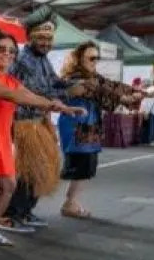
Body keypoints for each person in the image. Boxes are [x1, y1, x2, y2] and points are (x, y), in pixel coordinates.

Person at [0, 32, 82, 252]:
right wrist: (51, 105)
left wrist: (62, 106)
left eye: (12, 51)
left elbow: (28, 93)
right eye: (2, 49)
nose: (7, 54)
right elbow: (17, 97)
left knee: (9, 185)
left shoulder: (8, 77)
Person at [4, 18, 80, 230]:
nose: (46, 42)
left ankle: (26, 212)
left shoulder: (42, 59)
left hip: (38, 120)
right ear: (30, 37)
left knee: (39, 171)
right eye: (41, 38)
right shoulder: (22, 59)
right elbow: (36, 92)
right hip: (22, 121)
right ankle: (10, 215)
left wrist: (75, 83)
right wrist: (68, 92)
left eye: (49, 38)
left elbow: (53, 81)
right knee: (28, 171)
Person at [56, 41, 140, 217]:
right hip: (77, 125)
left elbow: (110, 87)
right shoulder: (76, 78)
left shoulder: (94, 77)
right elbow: (106, 91)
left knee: (87, 167)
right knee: (81, 165)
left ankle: (71, 202)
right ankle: (70, 203)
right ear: (79, 59)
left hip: (89, 125)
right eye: (92, 58)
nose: (95, 61)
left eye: (97, 58)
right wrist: (130, 96)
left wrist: (135, 93)